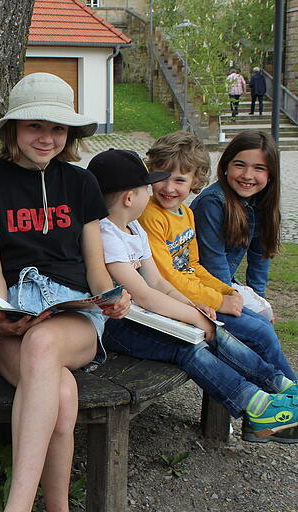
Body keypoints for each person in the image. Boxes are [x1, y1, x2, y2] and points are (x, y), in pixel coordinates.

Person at [0, 73, 131, 512]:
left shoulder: (80, 184)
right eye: (35, 125)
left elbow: (96, 271)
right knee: (61, 394)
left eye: (58, 128)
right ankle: (57, 508)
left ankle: (16, 506)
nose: (47, 137)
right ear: (12, 128)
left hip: (71, 314)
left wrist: (113, 296)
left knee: (42, 343)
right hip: (10, 313)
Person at [88, 148, 298, 439]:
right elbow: (145, 294)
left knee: (215, 329)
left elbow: (159, 283)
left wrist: (194, 307)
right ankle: (256, 405)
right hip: (117, 325)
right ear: (129, 197)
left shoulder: (134, 228)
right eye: (147, 188)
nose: (151, 195)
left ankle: (280, 386)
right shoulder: (106, 236)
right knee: (189, 347)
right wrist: (195, 319)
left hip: (143, 315)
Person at [139, 131, 297, 393]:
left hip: (197, 295)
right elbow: (165, 277)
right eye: (162, 178)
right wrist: (219, 299)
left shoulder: (186, 214)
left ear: (194, 181)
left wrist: (228, 291)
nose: (169, 188)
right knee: (259, 333)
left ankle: (283, 399)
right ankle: (286, 398)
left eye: (179, 180)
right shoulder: (154, 216)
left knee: (260, 326)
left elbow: (194, 265)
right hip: (173, 302)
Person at [191, 130, 279, 308]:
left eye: (259, 168)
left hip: (225, 286)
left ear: (270, 174)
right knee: (259, 333)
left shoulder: (262, 202)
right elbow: (213, 262)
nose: (247, 175)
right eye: (239, 165)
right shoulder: (213, 202)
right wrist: (234, 301)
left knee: (263, 321)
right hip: (202, 287)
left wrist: (259, 301)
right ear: (226, 165)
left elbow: (259, 257)